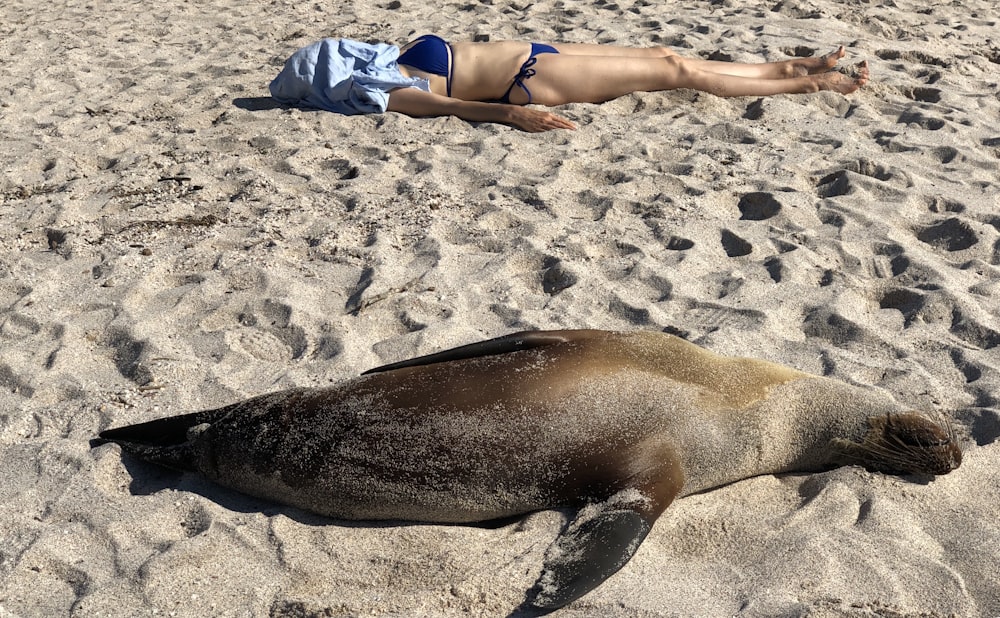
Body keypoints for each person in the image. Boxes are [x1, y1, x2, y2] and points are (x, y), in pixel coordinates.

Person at [270, 36, 869, 132]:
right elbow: (453, 107)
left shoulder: (385, 59)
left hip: (538, 53)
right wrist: (512, 117)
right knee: (676, 74)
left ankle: (792, 68)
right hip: (531, 81)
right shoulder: (385, 92)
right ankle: (809, 86)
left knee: (665, 54)